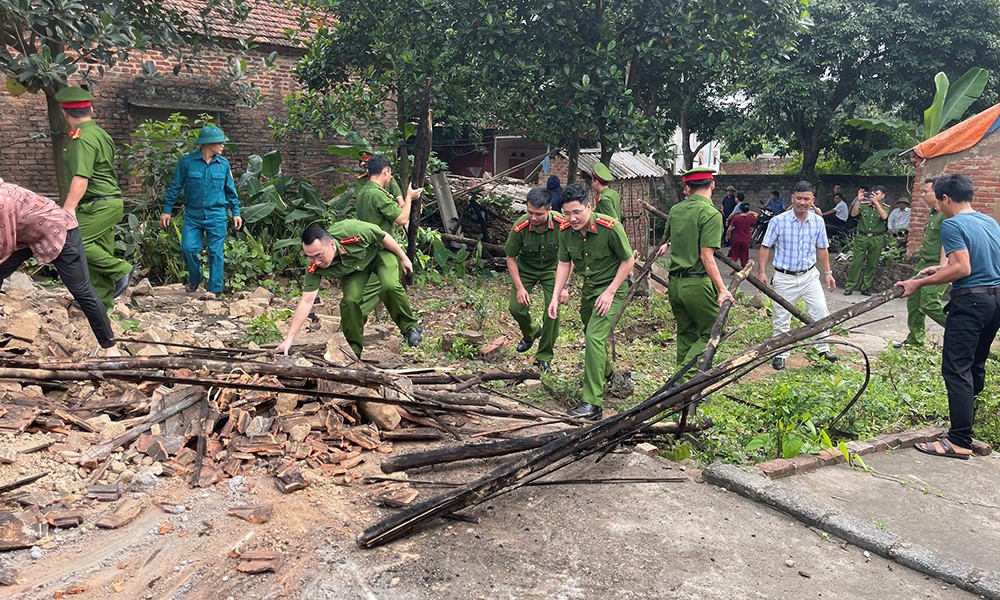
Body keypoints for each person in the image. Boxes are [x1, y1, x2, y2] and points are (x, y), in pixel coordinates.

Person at [896, 174, 1000, 460]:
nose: (938, 207)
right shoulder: (988, 221)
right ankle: (967, 427)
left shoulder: (952, 224)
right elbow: (974, 264)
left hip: (970, 303)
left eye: (938, 200)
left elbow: (962, 268)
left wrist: (917, 283)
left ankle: (958, 441)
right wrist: (938, 271)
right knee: (976, 365)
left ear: (945, 199)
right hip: (994, 300)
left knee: (956, 369)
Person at [0, 178, 120, 357]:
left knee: (81, 289)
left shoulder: (3, 201)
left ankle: (110, 348)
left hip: (60, 230)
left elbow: (4, 245)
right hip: (29, 237)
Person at [548, 183, 635, 420]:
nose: (572, 218)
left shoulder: (610, 227)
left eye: (577, 212)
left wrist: (610, 291)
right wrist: (556, 295)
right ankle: (608, 373)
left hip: (612, 289)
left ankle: (592, 404)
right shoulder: (565, 230)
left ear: (590, 206)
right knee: (591, 332)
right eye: (566, 213)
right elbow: (564, 263)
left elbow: (628, 261)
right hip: (589, 291)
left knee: (593, 337)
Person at [275, 220, 419, 357]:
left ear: (331, 245)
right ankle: (353, 351)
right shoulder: (314, 268)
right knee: (350, 302)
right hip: (355, 271)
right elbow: (306, 301)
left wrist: (403, 257)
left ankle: (410, 328)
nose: (316, 262)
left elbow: (383, 236)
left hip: (379, 255)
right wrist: (289, 339)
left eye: (319, 255)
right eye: (310, 257)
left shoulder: (351, 231)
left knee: (389, 286)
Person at [55, 87, 134, 309]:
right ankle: (101, 302)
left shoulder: (82, 139)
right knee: (101, 248)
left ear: (65, 113)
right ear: (92, 109)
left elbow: (82, 176)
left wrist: (68, 208)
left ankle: (122, 269)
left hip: (98, 203)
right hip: (108, 202)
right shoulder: (101, 134)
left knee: (70, 243)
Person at [655, 167, 734, 379]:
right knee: (713, 332)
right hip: (696, 284)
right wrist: (722, 289)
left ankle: (678, 384)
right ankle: (683, 381)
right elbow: (706, 256)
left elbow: (674, 239)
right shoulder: (711, 214)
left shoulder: (676, 210)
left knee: (686, 334)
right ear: (713, 185)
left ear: (687, 188)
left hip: (675, 284)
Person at [757, 181, 838, 370]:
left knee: (820, 311)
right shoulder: (778, 221)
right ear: (793, 198)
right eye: (799, 198)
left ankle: (823, 350)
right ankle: (781, 353)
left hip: (810, 276)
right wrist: (761, 271)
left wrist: (828, 273)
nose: (802, 202)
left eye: (806, 199)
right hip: (784, 277)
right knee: (781, 316)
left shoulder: (817, 221)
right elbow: (765, 246)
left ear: (813, 200)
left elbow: (822, 250)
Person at [159, 126, 242, 295]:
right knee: (188, 248)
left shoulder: (223, 165)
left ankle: (215, 290)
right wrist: (166, 210)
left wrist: (236, 212)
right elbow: (175, 186)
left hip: (217, 215)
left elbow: (230, 191)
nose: (223, 145)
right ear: (207, 143)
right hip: (193, 215)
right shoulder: (187, 162)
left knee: (216, 252)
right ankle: (195, 279)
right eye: (220, 142)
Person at [354, 154, 424, 347]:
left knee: (383, 289)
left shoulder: (363, 193)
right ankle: (351, 332)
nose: (390, 177)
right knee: (388, 288)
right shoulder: (377, 194)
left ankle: (410, 328)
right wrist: (409, 197)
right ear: (385, 172)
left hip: (366, 251)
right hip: (382, 250)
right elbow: (402, 219)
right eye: (390, 174)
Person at [505, 188, 568, 372]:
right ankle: (531, 331)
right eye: (529, 212)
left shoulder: (561, 224)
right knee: (515, 308)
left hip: (552, 270)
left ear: (549, 210)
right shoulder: (520, 227)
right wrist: (520, 288)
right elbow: (510, 258)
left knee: (552, 312)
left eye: (538, 214)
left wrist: (564, 287)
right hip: (526, 269)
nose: (532, 218)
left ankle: (543, 357)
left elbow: (568, 257)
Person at [895, 179, 948, 349]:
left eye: (926, 191)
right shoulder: (933, 213)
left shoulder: (945, 214)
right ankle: (915, 339)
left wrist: (942, 268)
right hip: (924, 263)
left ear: (938, 193)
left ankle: (963, 331)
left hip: (937, 265)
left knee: (930, 303)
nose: (922, 195)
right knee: (914, 303)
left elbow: (946, 243)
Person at [844, 184, 888, 295]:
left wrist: (876, 204)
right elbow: (853, 214)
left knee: (872, 264)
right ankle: (850, 286)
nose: (874, 196)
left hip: (876, 237)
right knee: (856, 262)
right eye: (873, 194)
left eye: (877, 194)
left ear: (883, 195)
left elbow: (884, 217)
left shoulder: (886, 207)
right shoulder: (864, 205)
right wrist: (858, 200)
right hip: (862, 236)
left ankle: (866, 287)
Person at [725, 203, 757, 268]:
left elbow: (730, 229)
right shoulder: (750, 218)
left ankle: (734, 268)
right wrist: (748, 212)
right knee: (744, 256)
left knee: (734, 255)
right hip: (746, 239)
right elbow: (756, 214)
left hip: (736, 239)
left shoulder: (736, 218)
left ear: (740, 210)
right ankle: (743, 269)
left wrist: (727, 235)